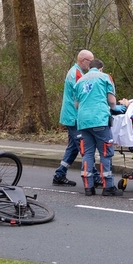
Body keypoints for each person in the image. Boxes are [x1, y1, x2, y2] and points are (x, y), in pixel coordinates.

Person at [74, 59, 121, 196]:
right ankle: (108, 186)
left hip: (83, 121)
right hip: (99, 120)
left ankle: (88, 187)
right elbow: (112, 101)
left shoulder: (80, 81)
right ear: (101, 68)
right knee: (105, 152)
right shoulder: (105, 78)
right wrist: (114, 108)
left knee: (87, 153)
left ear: (89, 68)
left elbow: (76, 105)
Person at [53, 49, 93, 186]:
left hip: (71, 115)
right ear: (83, 61)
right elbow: (81, 95)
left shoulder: (77, 72)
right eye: (90, 61)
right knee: (84, 146)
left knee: (73, 147)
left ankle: (60, 174)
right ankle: (95, 176)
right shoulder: (77, 74)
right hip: (74, 117)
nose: (91, 64)